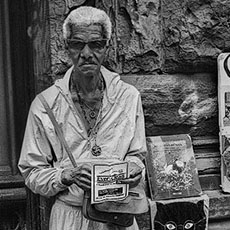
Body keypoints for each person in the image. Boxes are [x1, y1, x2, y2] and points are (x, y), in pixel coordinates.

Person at [18, 6, 147, 230]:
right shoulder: (46, 104)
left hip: (118, 215)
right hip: (69, 217)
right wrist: (66, 176)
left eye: (96, 44)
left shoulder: (128, 97)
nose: (86, 53)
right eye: (78, 44)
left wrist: (135, 170)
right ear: (66, 47)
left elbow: (137, 154)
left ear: (107, 46)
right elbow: (32, 172)